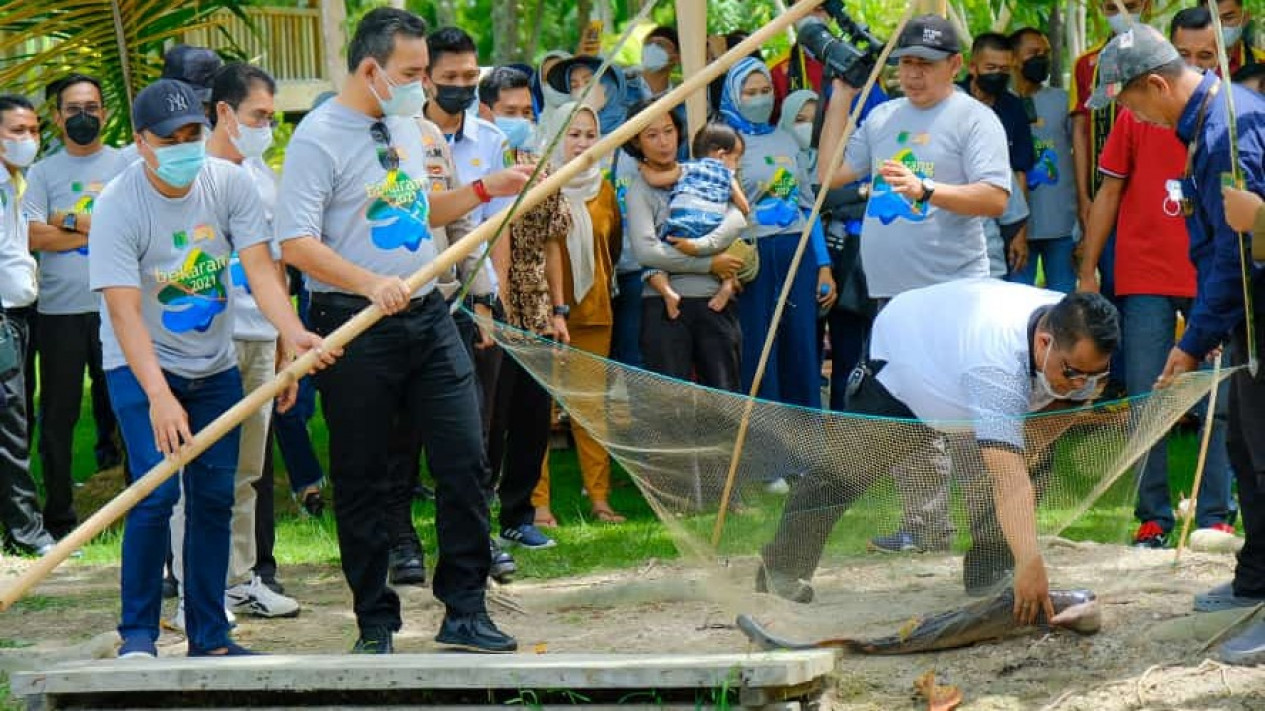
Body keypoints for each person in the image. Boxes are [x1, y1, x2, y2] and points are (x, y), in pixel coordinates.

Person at [275, 7, 531, 654]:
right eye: (412, 72)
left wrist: (482, 188)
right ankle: (374, 619)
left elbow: (417, 212)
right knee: (363, 474)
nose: (425, 84)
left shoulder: (408, 129)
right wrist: (367, 284)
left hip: (427, 314)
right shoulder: (317, 136)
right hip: (354, 324)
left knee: (464, 458)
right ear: (370, 69)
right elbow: (295, 242)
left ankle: (465, 608)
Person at [90, 78, 329, 658]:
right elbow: (124, 314)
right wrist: (158, 395)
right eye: (171, 137)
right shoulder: (117, 203)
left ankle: (210, 634)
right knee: (154, 495)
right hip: (140, 366)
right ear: (142, 141)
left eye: (193, 133)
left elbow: (261, 271)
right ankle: (139, 635)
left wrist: (293, 335)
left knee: (214, 498)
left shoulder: (230, 184)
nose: (185, 145)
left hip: (215, 365)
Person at [759, 280, 1119, 617]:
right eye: (1073, 374)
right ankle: (781, 571)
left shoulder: (1079, 347)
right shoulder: (996, 365)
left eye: (1094, 376)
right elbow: (1007, 477)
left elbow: (1074, 403)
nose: (1081, 384)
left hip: (960, 358)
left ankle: (992, 571)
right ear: (1044, 342)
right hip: (905, 364)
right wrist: (1031, 559)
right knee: (844, 472)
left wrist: (1038, 440)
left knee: (1029, 462)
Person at [1085, 22, 1265, 664]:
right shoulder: (1205, 126)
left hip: (1256, 304)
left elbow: (1239, 254)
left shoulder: (1227, 132)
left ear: (1157, 85)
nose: (1131, 116)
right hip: (1246, 314)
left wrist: (1196, 341)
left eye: (1131, 102)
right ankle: (1256, 582)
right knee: (1246, 445)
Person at [818, 14, 1011, 553]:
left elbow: (996, 197)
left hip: (956, 293)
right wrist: (840, 95)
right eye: (905, 63)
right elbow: (830, 174)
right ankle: (926, 529)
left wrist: (927, 189)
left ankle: (989, 531)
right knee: (908, 409)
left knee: (968, 415)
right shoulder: (881, 117)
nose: (914, 74)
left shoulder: (973, 119)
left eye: (926, 64)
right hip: (892, 297)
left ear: (954, 66)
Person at [1081, 9, 1238, 550]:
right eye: (1185, 55)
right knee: (1149, 399)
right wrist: (1088, 270)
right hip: (1145, 273)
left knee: (1217, 401)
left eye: (1205, 57)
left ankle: (1217, 515)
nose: (1195, 65)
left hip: (1212, 283)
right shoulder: (1140, 117)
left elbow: (1239, 234)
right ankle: (1153, 517)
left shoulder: (1229, 121)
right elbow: (1108, 192)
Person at [170, 62, 301, 622]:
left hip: (259, 336)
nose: (266, 127)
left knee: (247, 470)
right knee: (197, 472)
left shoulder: (263, 177)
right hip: (202, 346)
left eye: (271, 117)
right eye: (258, 116)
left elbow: (278, 266)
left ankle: (240, 579)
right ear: (223, 112)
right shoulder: (185, 174)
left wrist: (286, 346)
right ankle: (191, 592)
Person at [21, 75, 124, 540]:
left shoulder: (126, 165)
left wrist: (62, 224)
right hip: (59, 313)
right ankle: (60, 515)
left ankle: (133, 506)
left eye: (92, 107)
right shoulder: (43, 172)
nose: (84, 116)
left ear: (104, 112)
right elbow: (30, 234)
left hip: (118, 308)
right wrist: (86, 222)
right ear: (58, 117)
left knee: (126, 410)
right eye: (73, 109)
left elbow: (134, 228)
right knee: (59, 417)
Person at [719, 57, 834, 412]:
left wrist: (823, 264)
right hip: (754, 256)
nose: (759, 99)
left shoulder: (785, 139)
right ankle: (767, 443)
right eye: (750, 92)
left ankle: (807, 443)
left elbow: (808, 206)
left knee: (800, 344)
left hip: (795, 252)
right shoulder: (724, 141)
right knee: (759, 347)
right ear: (734, 96)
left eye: (766, 90)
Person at [530, 102, 626, 526]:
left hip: (594, 312)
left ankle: (601, 499)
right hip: (542, 315)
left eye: (590, 134)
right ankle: (538, 504)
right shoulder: (537, 186)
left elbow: (615, 247)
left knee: (592, 411)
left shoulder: (604, 189)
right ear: (554, 136)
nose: (582, 143)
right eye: (573, 134)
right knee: (537, 412)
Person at [0, 95, 51, 558]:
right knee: (10, 426)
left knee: (17, 418)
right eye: (17, 131)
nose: (28, 140)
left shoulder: (16, 182)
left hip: (18, 316)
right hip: (1, 320)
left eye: (33, 131)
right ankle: (26, 531)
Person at [639, 123, 751, 319]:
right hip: (712, 226)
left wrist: (643, 168)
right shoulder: (728, 176)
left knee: (655, 261)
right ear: (721, 155)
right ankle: (727, 285)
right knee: (729, 250)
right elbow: (745, 207)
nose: (737, 165)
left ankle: (667, 292)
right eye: (735, 159)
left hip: (683, 225)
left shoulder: (686, 168)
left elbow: (656, 180)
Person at [1008, 28, 1077, 293]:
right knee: (1016, 300)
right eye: (1034, 53)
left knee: (1064, 300)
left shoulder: (1063, 101)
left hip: (1061, 225)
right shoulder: (1001, 105)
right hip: (1016, 227)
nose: (1042, 59)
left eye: (1045, 53)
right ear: (1014, 58)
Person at [1217, 0, 1264, 76]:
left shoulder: (1261, 61)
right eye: (1211, 20)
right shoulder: (1193, 64)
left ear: (1245, 18)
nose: (1220, 26)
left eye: (1228, 18)